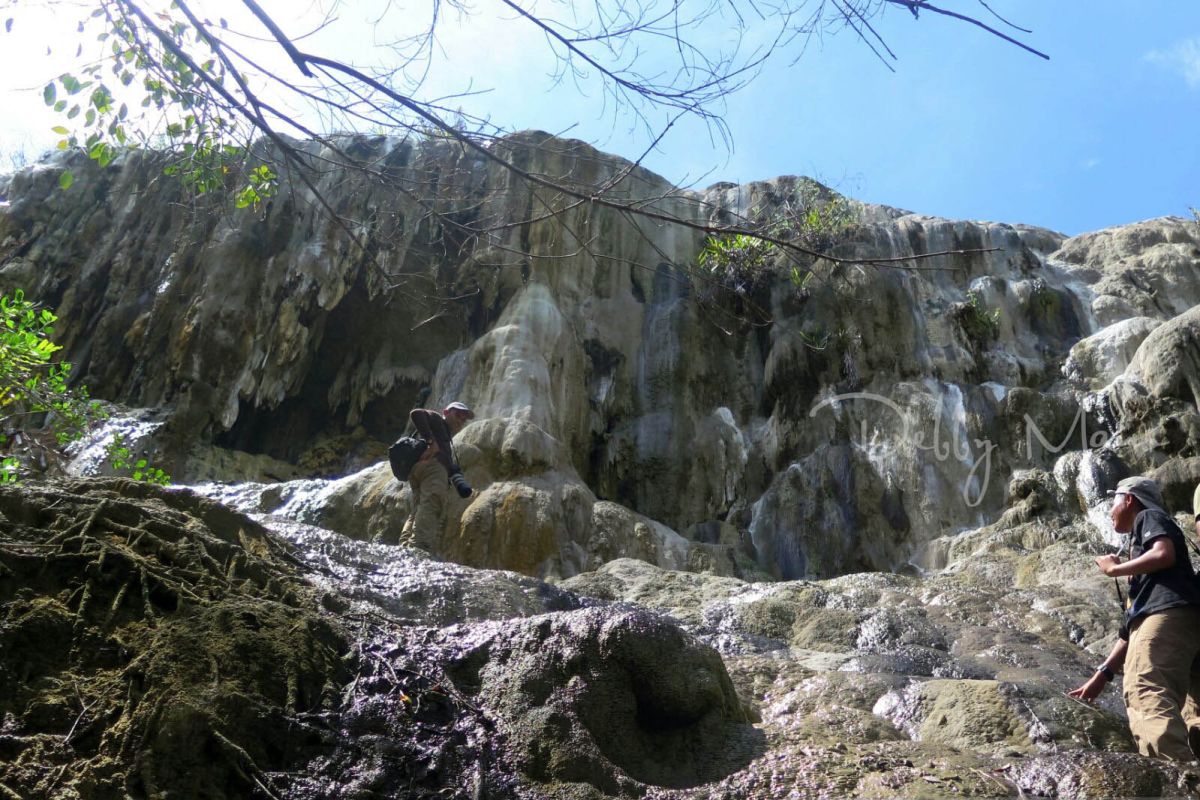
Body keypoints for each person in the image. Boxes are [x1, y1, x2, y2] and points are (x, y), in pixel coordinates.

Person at [1068, 476, 1200, 762]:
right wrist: (1101, 676)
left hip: (1166, 618)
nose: (1110, 510)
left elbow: (1163, 553)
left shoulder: (1148, 516)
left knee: (1146, 689)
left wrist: (1114, 570)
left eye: (1113, 501)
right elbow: (1131, 630)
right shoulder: (1151, 568)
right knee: (1192, 712)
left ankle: (1182, 782)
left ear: (1129, 499)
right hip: (1182, 623)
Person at [400, 401, 475, 554]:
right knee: (432, 503)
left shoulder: (445, 435)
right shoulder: (436, 419)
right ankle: (419, 548)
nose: (460, 420)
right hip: (433, 469)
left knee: (418, 508)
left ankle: (405, 547)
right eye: (458, 415)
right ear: (446, 412)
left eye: (463, 418)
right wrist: (431, 442)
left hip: (419, 470)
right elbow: (416, 413)